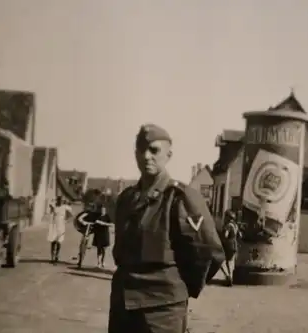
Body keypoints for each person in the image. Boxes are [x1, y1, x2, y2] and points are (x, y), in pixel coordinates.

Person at [109, 124, 225, 333]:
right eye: (141, 149)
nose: (146, 156)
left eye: (154, 150)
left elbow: (209, 252)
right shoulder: (126, 199)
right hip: (123, 305)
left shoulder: (180, 198)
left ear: (168, 155)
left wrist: (178, 289)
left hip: (162, 312)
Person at [76, 203, 112, 268]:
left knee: (100, 247)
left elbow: (105, 222)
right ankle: (80, 260)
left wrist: (99, 223)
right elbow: (79, 218)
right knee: (83, 244)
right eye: (92, 207)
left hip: (95, 231)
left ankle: (100, 262)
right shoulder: (88, 213)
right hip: (88, 230)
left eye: (93, 207)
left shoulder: (97, 214)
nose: (93, 209)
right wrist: (84, 222)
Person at [47, 196, 73, 264]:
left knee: (59, 242)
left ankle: (57, 256)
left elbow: (71, 213)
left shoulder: (65, 207)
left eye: (61, 201)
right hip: (54, 225)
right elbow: (50, 206)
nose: (60, 202)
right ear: (57, 201)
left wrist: (66, 220)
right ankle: (52, 257)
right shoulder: (54, 207)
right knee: (53, 241)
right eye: (59, 200)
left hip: (61, 225)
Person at [220, 210, 241, 286]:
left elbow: (225, 235)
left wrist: (222, 239)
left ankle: (228, 276)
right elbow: (240, 235)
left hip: (228, 245)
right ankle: (230, 278)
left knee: (221, 261)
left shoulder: (228, 225)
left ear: (228, 217)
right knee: (231, 262)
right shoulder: (235, 225)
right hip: (234, 245)